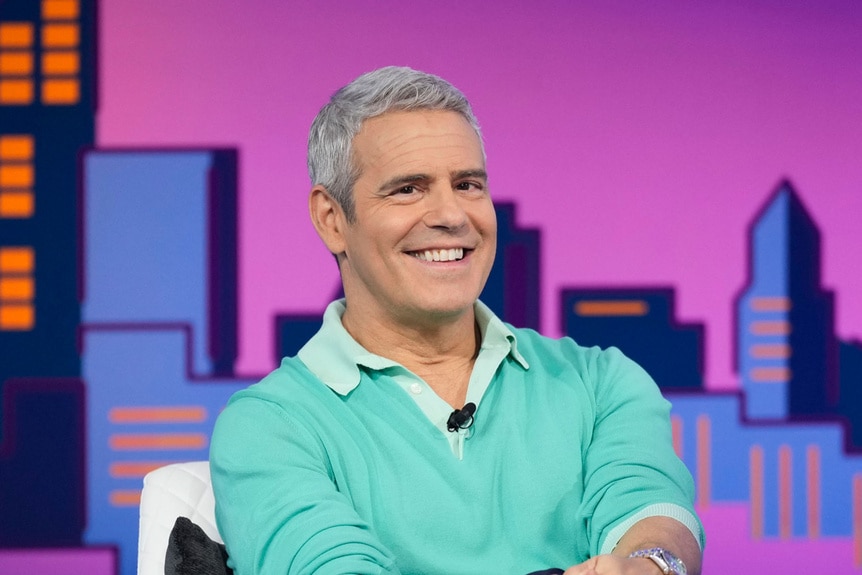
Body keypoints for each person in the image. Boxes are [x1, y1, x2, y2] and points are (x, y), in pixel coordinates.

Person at [210, 66, 704, 575]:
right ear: (332, 219)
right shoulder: (269, 427)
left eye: (467, 184)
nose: (451, 214)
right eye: (408, 189)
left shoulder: (600, 382)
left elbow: (651, 509)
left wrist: (650, 565)